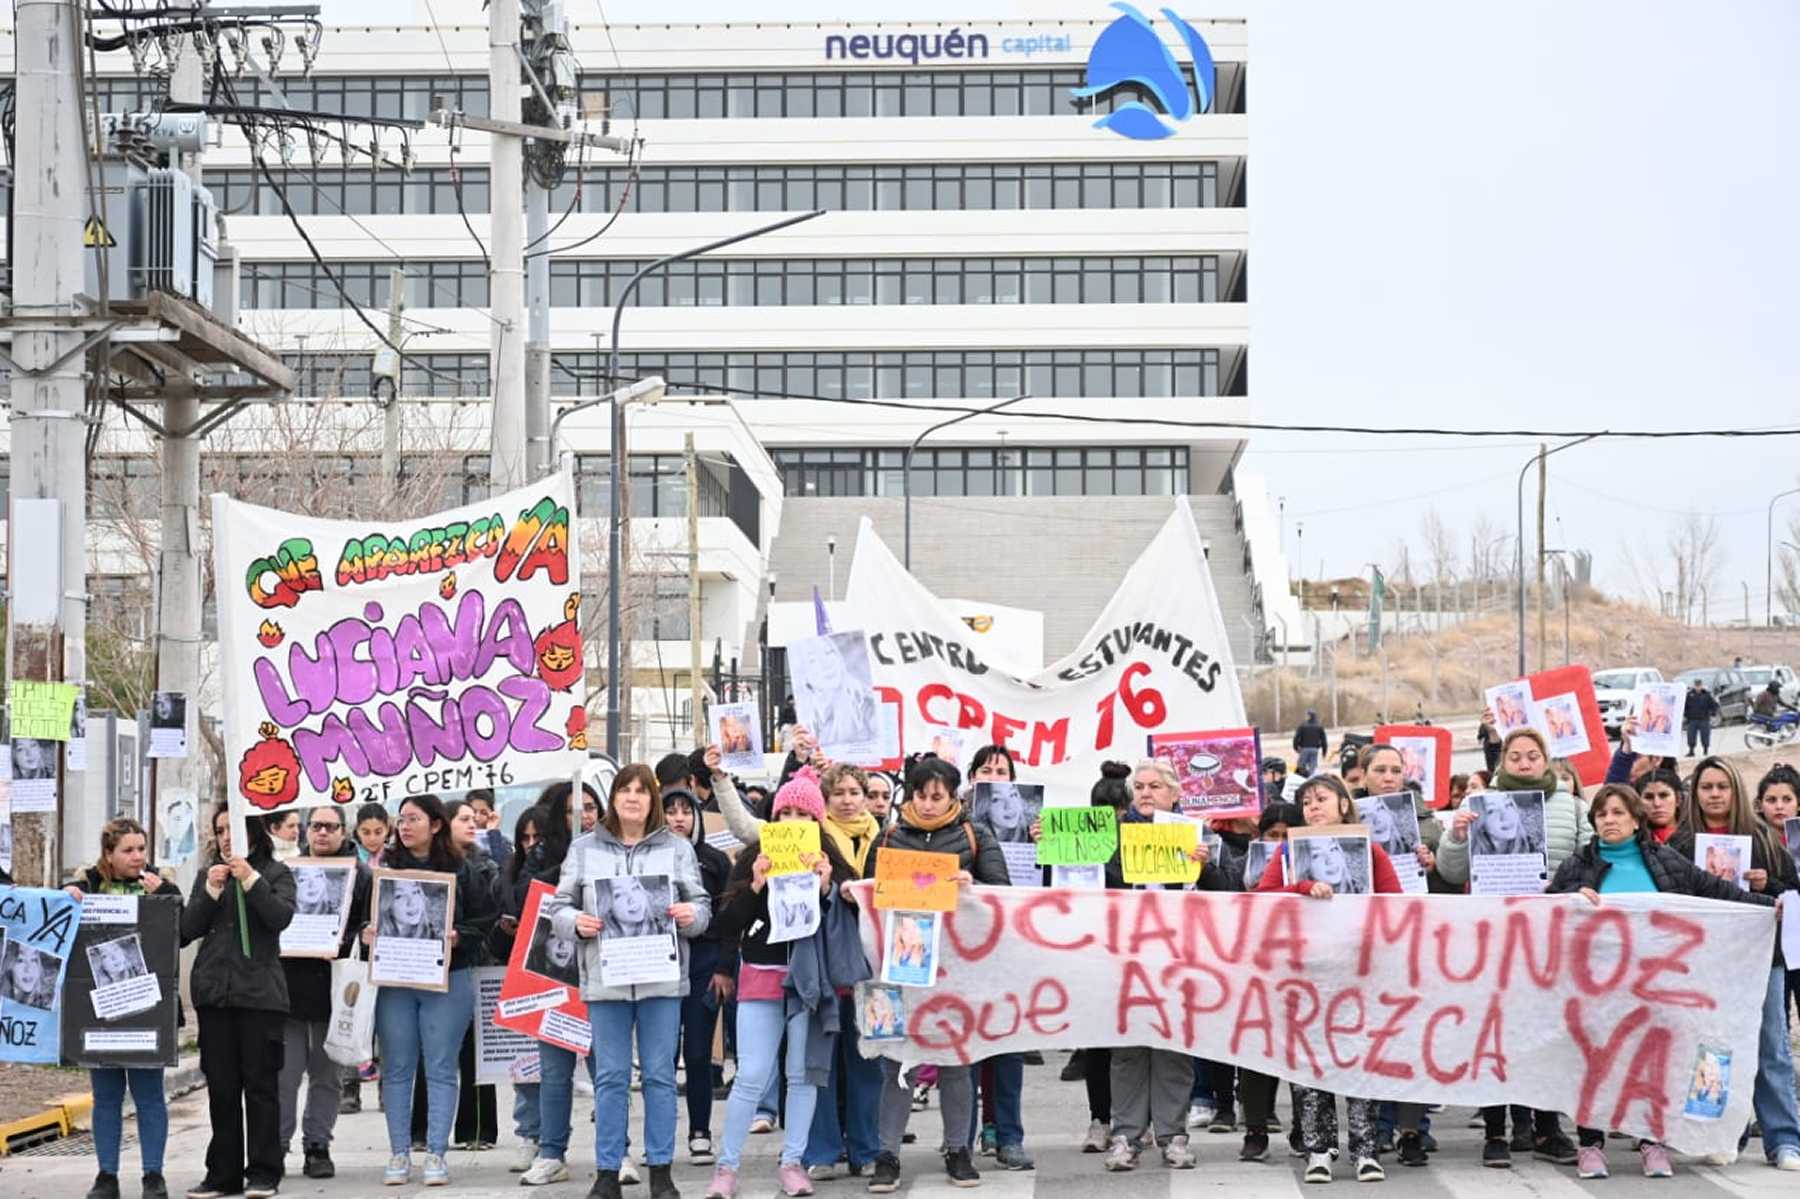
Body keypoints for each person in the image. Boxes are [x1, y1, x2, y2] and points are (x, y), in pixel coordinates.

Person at [1546, 783, 1777, 1178]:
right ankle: (1591, 1145)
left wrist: (1772, 905)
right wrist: (1568, 898)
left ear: (1636, 820)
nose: (1610, 820)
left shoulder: (1665, 862)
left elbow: (1716, 892)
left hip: (1657, 985)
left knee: (1654, 1061)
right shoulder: (1577, 866)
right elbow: (1545, 911)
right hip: (1597, 986)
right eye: (1602, 814)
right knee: (1596, 1064)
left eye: (1619, 813)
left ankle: (1652, 1142)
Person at [552, 763, 711, 1199]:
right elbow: (558, 907)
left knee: (660, 1076)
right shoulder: (584, 849)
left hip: (660, 978)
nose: (634, 798)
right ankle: (607, 1173)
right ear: (614, 797)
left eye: (643, 791)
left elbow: (702, 907)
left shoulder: (677, 848)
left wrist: (690, 915)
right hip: (607, 980)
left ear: (652, 799)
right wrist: (577, 922)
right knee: (611, 1078)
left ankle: (661, 1170)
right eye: (626, 789)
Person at [1435, 725, 1587, 1166]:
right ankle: (1498, 1130)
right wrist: (1459, 834)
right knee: (1497, 1033)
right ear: (1502, 762)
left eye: (1531, 755)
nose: (1524, 763)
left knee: (1547, 1034)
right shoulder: (1478, 805)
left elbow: (1589, 857)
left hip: (1551, 938)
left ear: (1546, 759)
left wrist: (1566, 888)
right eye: (1514, 756)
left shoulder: (1572, 806)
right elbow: (1448, 870)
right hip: (1495, 939)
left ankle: (1546, 1127)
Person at [706, 768, 860, 1199]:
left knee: (803, 1074)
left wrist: (829, 886)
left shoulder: (831, 860)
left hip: (811, 985)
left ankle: (793, 1162)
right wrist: (755, 885)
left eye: (803, 813)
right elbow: (726, 925)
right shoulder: (753, 856)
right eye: (784, 812)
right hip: (761, 977)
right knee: (752, 1073)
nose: (792, 820)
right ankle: (726, 1168)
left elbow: (856, 916)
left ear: (817, 821)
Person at [864, 756, 1009, 1193]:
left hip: (957, 966)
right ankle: (886, 1154)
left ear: (953, 796)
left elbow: (1004, 896)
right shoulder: (889, 835)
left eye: (937, 797)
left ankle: (957, 1150)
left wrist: (972, 887)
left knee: (956, 1063)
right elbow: (866, 895)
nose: (927, 805)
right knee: (896, 1062)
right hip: (898, 964)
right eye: (920, 796)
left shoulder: (975, 835)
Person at [1253, 776, 1403, 1182]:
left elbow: (1397, 904)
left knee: (1359, 1057)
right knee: (1310, 1061)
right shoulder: (1286, 851)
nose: (1312, 807)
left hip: (1359, 971)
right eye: (1305, 801)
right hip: (1305, 973)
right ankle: (1318, 1149)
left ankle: (1366, 1149)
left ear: (1343, 806)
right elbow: (1262, 897)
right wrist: (1300, 887)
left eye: (1321, 799)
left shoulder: (1369, 850)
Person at [1098, 757, 1234, 1173]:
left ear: (1175, 795)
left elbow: (1228, 892)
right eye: (1139, 787)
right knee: (1128, 1050)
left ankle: (1173, 1135)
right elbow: (1090, 883)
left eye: (1155, 786)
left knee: (1173, 1049)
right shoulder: (1115, 836)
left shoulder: (1197, 834)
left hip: (1179, 955)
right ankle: (1126, 1136)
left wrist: (1203, 864)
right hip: (1128, 954)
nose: (1145, 793)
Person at [1670, 758, 1800, 1171]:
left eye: (1721, 786)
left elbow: (1793, 893)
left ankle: (1784, 1139)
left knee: (1773, 1045)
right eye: (1706, 787)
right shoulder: (1681, 842)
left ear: (1735, 791)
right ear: (1696, 794)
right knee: (1714, 1046)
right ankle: (1723, 1134)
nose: (1714, 794)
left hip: (1765, 956)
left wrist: (1769, 885)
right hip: (1710, 958)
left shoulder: (1761, 837)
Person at [368, 793, 499, 1188]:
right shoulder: (384, 868)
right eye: (401, 820)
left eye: (413, 819)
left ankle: (437, 1154)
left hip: (449, 978)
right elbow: (363, 915)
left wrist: (461, 936)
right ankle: (399, 1152)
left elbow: (486, 917)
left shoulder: (463, 868)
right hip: (395, 980)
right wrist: (367, 930)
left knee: (442, 1066)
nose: (404, 827)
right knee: (397, 1067)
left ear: (436, 824)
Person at [181, 806, 296, 1199]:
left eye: (234, 829)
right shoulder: (208, 875)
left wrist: (251, 880)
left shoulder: (277, 873)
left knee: (261, 1088)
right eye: (220, 830)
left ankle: (264, 1171)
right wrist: (210, 892)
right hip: (216, 996)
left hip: (259, 997)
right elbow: (186, 931)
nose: (227, 837)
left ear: (254, 831)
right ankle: (222, 1174)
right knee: (222, 1090)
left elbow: (280, 917)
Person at [67, 818, 184, 1199]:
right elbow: (59, 911)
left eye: (141, 849)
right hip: (99, 1010)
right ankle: (107, 1176)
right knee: (106, 1094)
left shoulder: (159, 881)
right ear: (108, 854)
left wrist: (165, 894)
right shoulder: (88, 881)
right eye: (128, 851)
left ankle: (154, 1175)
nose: (137, 858)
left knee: (149, 1093)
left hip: (148, 1007)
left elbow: (182, 932)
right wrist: (68, 894)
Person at [277, 806, 371, 1181]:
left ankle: (318, 1145)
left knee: (326, 1074)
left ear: (343, 831)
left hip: (336, 989)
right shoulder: (288, 871)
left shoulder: (359, 876)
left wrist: (350, 938)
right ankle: (277, 1144)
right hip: (290, 986)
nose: (322, 833)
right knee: (284, 1073)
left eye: (331, 827)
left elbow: (366, 923)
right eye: (315, 826)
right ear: (306, 831)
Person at [802, 764, 885, 1182]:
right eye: (839, 793)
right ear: (826, 799)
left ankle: (867, 1149)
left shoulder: (886, 837)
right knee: (822, 1065)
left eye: (856, 792)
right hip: (825, 967)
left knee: (869, 1063)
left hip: (875, 968)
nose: (849, 800)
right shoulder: (810, 838)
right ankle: (822, 1151)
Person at [408, 798, 501, 1153]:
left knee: (474, 1051)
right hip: (426, 968)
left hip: (474, 962)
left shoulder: (484, 862)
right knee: (429, 1051)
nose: (471, 823)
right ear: (442, 824)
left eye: (473, 818)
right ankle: (421, 1131)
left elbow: (492, 905)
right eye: (463, 818)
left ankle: (476, 1129)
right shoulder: (425, 863)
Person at [963, 744, 1036, 1171]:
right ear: (972, 779)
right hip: (966, 947)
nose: (994, 775)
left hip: (1012, 944)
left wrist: (1043, 849)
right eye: (986, 770)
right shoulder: (953, 822)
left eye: (1002, 771)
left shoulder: (1030, 827)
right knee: (967, 1048)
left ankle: (1008, 1134)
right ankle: (964, 1135)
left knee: (1007, 1045)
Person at [508, 789, 585, 1186]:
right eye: (574, 811)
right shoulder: (542, 855)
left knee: (609, 1070)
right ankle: (551, 1151)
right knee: (553, 1073)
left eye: (589, 808)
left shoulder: (610, 849)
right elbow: (521, 895)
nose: (582, 816)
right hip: (552, 980)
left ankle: (617, 1150)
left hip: (600, 977)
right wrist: (563, 869)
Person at [663, 785, 736, 1169]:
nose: (678, 818)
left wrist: (725, 968)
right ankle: (658, 1138)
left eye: (685, 811)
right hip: (658, 962)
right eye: (671, 811)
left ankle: (700, 1132)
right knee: (662, 1058)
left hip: (705, 963)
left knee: (697, 1053)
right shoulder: (650, 857)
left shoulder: (714, 861)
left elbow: (728, 920)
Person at [467, 789, 513, 868]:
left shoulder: (503, 841)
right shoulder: (460, 840)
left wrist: (493, 832)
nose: (477, 818)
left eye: (483, 813)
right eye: (473, 812)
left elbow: (503, 868)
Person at [1683, 679, 1719, 756]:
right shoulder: (1689, 695)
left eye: (1699, 686)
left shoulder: (1706, 694)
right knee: (1691, 736)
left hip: (1704, 719)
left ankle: (1705, 750)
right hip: (1692, 719)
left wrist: (1713, 713)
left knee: (1705, 735)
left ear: (1701, 686)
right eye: (1696, 686)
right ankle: (1691, 751)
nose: (1698, 687)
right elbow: (1684, 706)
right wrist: (1685, 716)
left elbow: (1714, 705)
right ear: (1694, 686)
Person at [1292, 710, 1328, 776]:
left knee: (1301, 766)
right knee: (1313, 768)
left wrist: (1296, 747)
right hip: (1315, 750)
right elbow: (1324, 740)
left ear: (1309, 716)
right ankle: (1311, 780)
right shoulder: (1319, 726)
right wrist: (1324, 752)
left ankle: (1301, 780)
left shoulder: (1302, 726)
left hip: (1304, 749)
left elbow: (1296, 738)